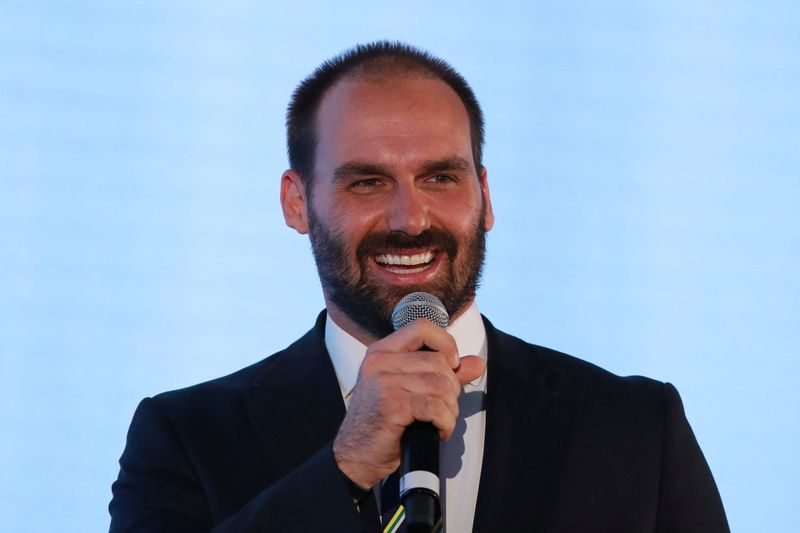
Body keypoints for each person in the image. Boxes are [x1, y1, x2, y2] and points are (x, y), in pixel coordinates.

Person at [109, 41, 729, 533]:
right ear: (296, 203)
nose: (411, 218)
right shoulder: (189, 436)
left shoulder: (635, 429)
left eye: (440, 177)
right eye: (367, 183)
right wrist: (344, 466)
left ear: (485, 197)